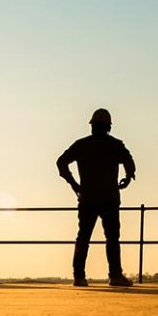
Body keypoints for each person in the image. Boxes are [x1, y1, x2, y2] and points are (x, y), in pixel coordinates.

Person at [57, 108, 136, 287]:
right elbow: (129, 162)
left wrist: (74, 185)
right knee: (112, 238)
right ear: (109, 127)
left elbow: (61, 162)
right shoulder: (115, 145)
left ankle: (79, 276)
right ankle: (115, 276)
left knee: (83, 237)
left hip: (87, 198)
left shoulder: (81, 145)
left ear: (92, 126)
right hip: (109, 198)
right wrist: (127, 178)